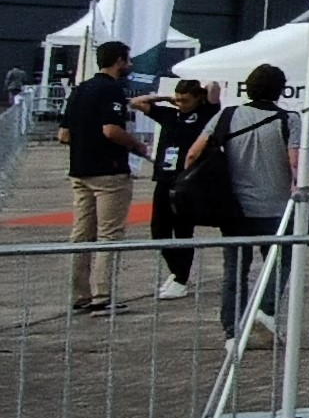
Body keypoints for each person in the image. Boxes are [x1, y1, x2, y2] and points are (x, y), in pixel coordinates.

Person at [188, 64, 300, 348]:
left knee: (235, 270)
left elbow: (193, 154)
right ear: (280, 90)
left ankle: (232, 330)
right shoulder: (289, 120)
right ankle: (266, 310)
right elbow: (295, 164)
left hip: (234, 208)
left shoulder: (227, 116)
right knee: (282, 260)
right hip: (275, 207)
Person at [58, 41, 146, 314]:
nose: (129, 65)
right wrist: (137, 145)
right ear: (119, 61)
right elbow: (111, 130)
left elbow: (63, 135)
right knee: (109, 235)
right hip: (109, 171)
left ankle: (80, 294)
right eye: (127, 60)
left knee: (81, 234)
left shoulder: (79, 90)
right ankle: (103, 295)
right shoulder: (112, 90)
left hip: (79, 170)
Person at [132, 79, 220, 299]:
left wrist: (201, 94)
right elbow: (136, 102)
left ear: (197, 98)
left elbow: (214, 87)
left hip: (188, 181)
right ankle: (176, 269)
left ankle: (181, 278)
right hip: (164, 177)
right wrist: (165, 99)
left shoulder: (206, 113)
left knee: (183, 229)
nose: (181, 104)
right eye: (178, 100)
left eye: (186, 101)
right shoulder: (169, 114)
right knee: (158, 230)